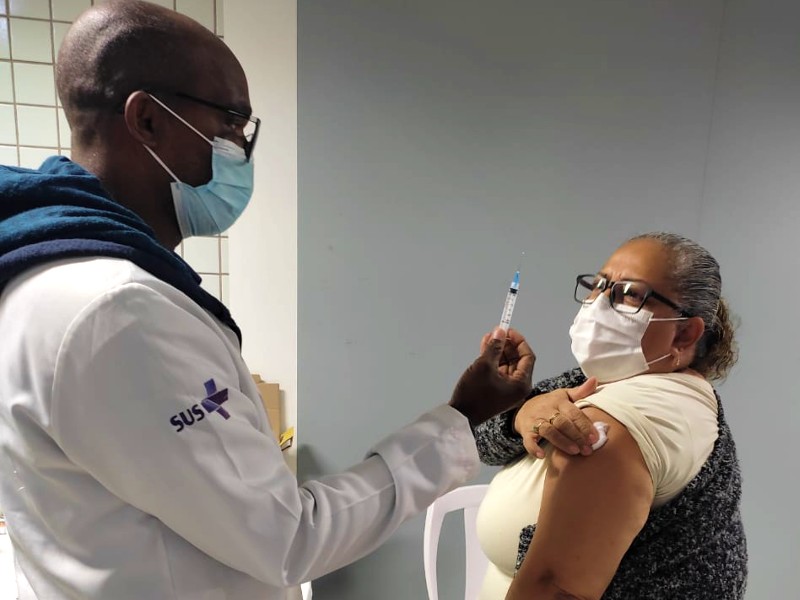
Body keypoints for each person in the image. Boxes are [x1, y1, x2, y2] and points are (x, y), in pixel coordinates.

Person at [0, 2, 543, 598]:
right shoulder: (117, 311)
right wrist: (461, 419)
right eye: (233, 120)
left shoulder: (41, 272)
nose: (243, 146)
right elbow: (288, 538)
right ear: (148, 120)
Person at [472, 232, 748, 600]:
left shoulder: (628, 419)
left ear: (684, 334)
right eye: (598, 285)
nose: (598, 304)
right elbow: (482, 445)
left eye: (629, 294)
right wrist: (519, 413)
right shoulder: (607, 377)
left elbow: (554, 588)